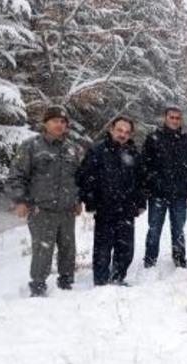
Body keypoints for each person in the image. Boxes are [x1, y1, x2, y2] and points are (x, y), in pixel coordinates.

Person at [10, 105, 84, 297]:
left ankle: (66, 283)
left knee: (68, 249)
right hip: (41, 210)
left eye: (63, 122)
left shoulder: (72, 149)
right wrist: (20, 200)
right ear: (45, 123)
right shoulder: (31, 146)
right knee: (43, 250)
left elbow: (78, 178)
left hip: (67, 210)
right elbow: (17, 176)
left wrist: (77, 200)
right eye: (55, 121)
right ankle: (38, 286)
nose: (59, 125)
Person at [77, 116, 146, 286]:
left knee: (125, 248)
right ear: (111, 129)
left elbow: (142, 180)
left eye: (127, 132)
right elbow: (85, 177)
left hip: (127, 208)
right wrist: (90, 200)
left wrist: (141, 202)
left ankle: (117, 277)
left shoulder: (134, 153)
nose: (123, 134)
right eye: (119, 130)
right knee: (102, 247)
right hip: (104, 207)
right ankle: (100, 280)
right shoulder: (98, 151)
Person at [141, 105, 187, 268]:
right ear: (165, 118)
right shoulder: (153, 138)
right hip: (157, 193)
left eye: (177, 118)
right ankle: (150, 260)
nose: (174, 120)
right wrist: (147, 187)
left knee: (178, 230)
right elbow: (145, 165)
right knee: (154, 229)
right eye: (171, 117)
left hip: (180, 193)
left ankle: (180, 260)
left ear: (181, 120)